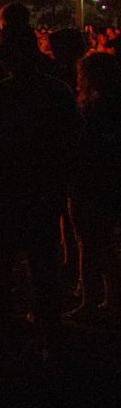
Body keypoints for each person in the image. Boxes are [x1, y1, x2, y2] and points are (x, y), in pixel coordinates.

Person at [0, 23, 83, 350]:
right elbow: (75, 139)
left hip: (3, 189)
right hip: (43, 189)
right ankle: (49, 325)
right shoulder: (58, 93)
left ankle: (0, 324)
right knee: (43, 259)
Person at [68, 51, 120, 319]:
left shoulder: (92, 110)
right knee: (105, 243)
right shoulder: (113, 106)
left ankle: (90, 300)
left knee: (88, 243)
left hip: (90, 183)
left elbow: (81, 147)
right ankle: (112, 298)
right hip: (109, 181)